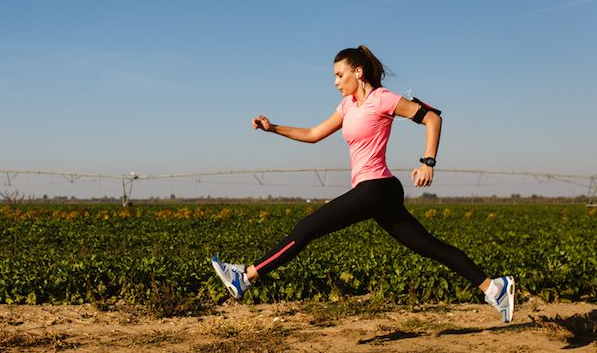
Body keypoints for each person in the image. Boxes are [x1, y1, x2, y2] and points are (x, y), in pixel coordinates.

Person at [211, 45, 516, 323]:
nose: (335, 81)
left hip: (376, 188)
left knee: (305, 229)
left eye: (339, 74)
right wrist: (272, 128)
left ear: (358, 72)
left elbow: (432, 119)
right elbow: (314, 134)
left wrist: (427, 162)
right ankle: (494, 287)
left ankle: (245, 277)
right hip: (378, 192)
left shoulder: (382, 99)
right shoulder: (347, 106)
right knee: (429, 246)